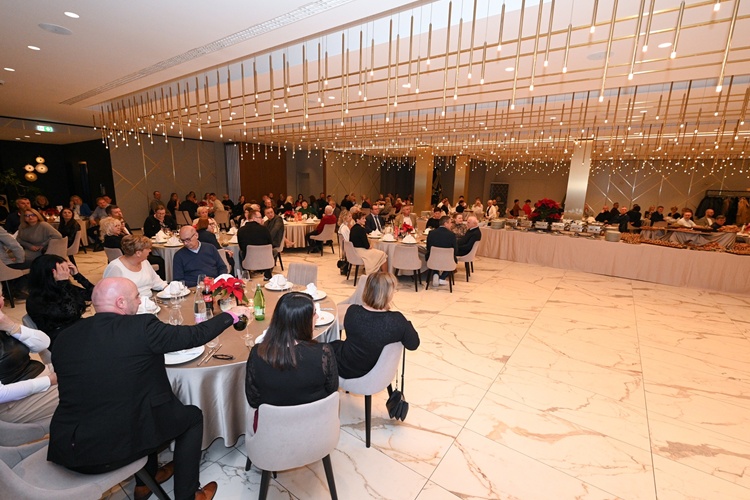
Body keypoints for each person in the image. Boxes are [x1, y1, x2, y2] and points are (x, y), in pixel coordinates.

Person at [49, 278, 250, 500]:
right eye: (136, 296)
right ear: (121, 302)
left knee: (140, 404)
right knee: (191, 417)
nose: (140, 301)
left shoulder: (64, 337)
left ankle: (146, 483)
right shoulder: (142, 327)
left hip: (71, 449)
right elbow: (195, 336)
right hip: (117, 451)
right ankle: (188, 495)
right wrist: (231, 315)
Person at [245, 292, 338, 429]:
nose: (317, 317)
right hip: (315, 425)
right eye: (314, 313)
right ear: (302, 321)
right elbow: (332, 390)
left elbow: (253, 399)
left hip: (272, 428)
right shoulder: (323, 352)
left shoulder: (257, 353)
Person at [331, 272, 419, 379]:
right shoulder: (397, 321)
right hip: (375, 373)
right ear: (388, 294)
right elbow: (413, 345)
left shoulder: (353, 311)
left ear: (367, 291)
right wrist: (406, 323)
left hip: (344, 367)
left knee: (320, 349)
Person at [0, 293, 58, 426]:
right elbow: (2, 394)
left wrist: (11, 327)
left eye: (2, 294)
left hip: (37, 377)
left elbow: (43, 343)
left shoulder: (3, 323)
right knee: (83, 390)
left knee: (89, 371)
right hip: (12, 402)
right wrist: (49, 380)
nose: (3, 299)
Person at [26, 255, 93, 349]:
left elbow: (94, 295)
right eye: (63, 270)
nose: (67, 273)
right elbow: (70, 313)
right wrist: (63, 283)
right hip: (60, 338)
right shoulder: (36, 299)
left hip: (77, 329)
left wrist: (78, 276)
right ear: (51, 274)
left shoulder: (64, 288)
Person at [103, 235, 167, 295]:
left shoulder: (145, 262)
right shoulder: (115, 267)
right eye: (147, 248)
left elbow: (156, 281)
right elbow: (109, 293)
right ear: (138, 253)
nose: (150, 250)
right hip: (129, 302)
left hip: (149, 300)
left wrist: (168, 288)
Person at [237, 209, 274, 280]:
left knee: (240, 252)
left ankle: (246, 273)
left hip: (249, 260)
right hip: (265, 260)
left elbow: (241, 247)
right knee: (273, 251)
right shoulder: (264, 229)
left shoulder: (241, 230)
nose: (262, 219)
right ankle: (267, 274)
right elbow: (270, 244)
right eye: (260, 217)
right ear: (254, 218)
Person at [426, 216, 457, 287]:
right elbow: (455, 250)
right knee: (454, 259)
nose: (451, 225)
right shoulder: (452, 235)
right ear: (445, 223)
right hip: (447, 260)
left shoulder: (431, 233)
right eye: (450, 223)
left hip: (432, 259)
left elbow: (428, 248)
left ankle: (435, 273)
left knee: (430, 255)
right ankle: (442, 277)